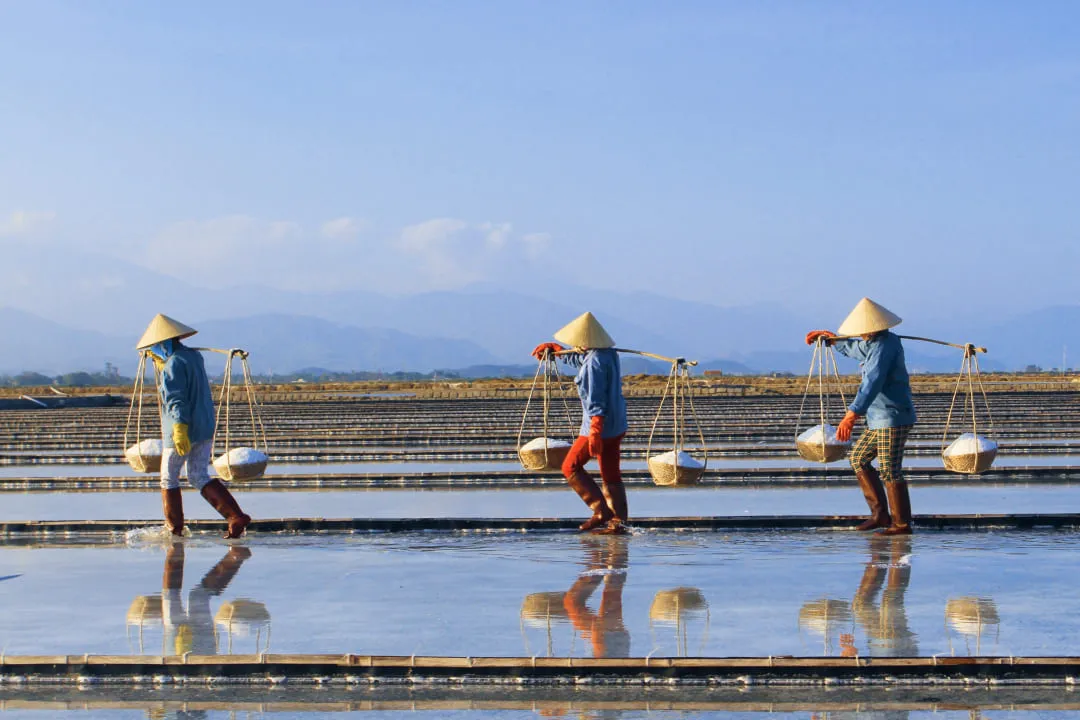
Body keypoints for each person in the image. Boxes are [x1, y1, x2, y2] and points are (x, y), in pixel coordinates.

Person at [806, 298, 917, 535]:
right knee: (858, 458)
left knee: (889, 469)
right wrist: (832, 340)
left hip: (892, 417)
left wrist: (851, 415)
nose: (861, 333)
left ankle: (901, 523)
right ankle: (880, 515)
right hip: (878, 419)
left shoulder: (885, 346)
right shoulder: (875, 342)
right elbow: (855, 349)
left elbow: (872, 381)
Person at [136, 314, 252, 539]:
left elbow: (176, 399)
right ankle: (235, 516)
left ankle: (174, 528)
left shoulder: (172, 364)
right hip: (204, 426)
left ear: (165, 343)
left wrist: (179, 427)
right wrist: (165, 365)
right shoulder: (194, 357)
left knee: (168, 477)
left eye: (156, 348)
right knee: (198, 474)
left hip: (183, 429)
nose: (154, 352)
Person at [532, 311, 629, 534]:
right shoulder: (607, 354)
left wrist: (595, 430)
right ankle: (619, 522)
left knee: (570, 466)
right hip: (616, 424)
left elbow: (596, 398)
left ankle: (600, 511)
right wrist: (558, 352)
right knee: (611, 473)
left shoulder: (594, 362)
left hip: (599, 425)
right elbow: (582, 359)